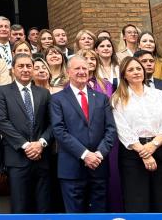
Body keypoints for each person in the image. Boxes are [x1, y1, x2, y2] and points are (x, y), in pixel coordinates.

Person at [49, 56, 116, 213]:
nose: (81, 72)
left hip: (99, 167)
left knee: (99, 214)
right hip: (71, 169)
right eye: (77, 68)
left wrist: (98, 154)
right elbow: (59, 130)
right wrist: (85, 154)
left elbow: (111, 129)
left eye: (84, 68)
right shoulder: (57, 99)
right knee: (75, 215)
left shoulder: (101, 98)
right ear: (68, 72)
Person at [111, 57, 162, 212]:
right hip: (133, 154)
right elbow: (122, 129)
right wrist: (145, 153)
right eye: (131, 70)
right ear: (124, 75)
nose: (136, 72)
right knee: (137, 202)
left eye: (138, 68)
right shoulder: (118, 98)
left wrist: (153, 145)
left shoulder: (159, 94)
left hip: (160, 148)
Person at [0, 53, 53, 213]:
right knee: (20, 208)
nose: (25, 69)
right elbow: (2, 122)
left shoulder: (44, 93)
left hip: (42, 159)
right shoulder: (2, 92)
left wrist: (40, 143)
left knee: (43, 208)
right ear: (13, 69)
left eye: (29, 66)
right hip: (17, 159)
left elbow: (52, 123)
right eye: (21, 66)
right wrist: (26, 146)